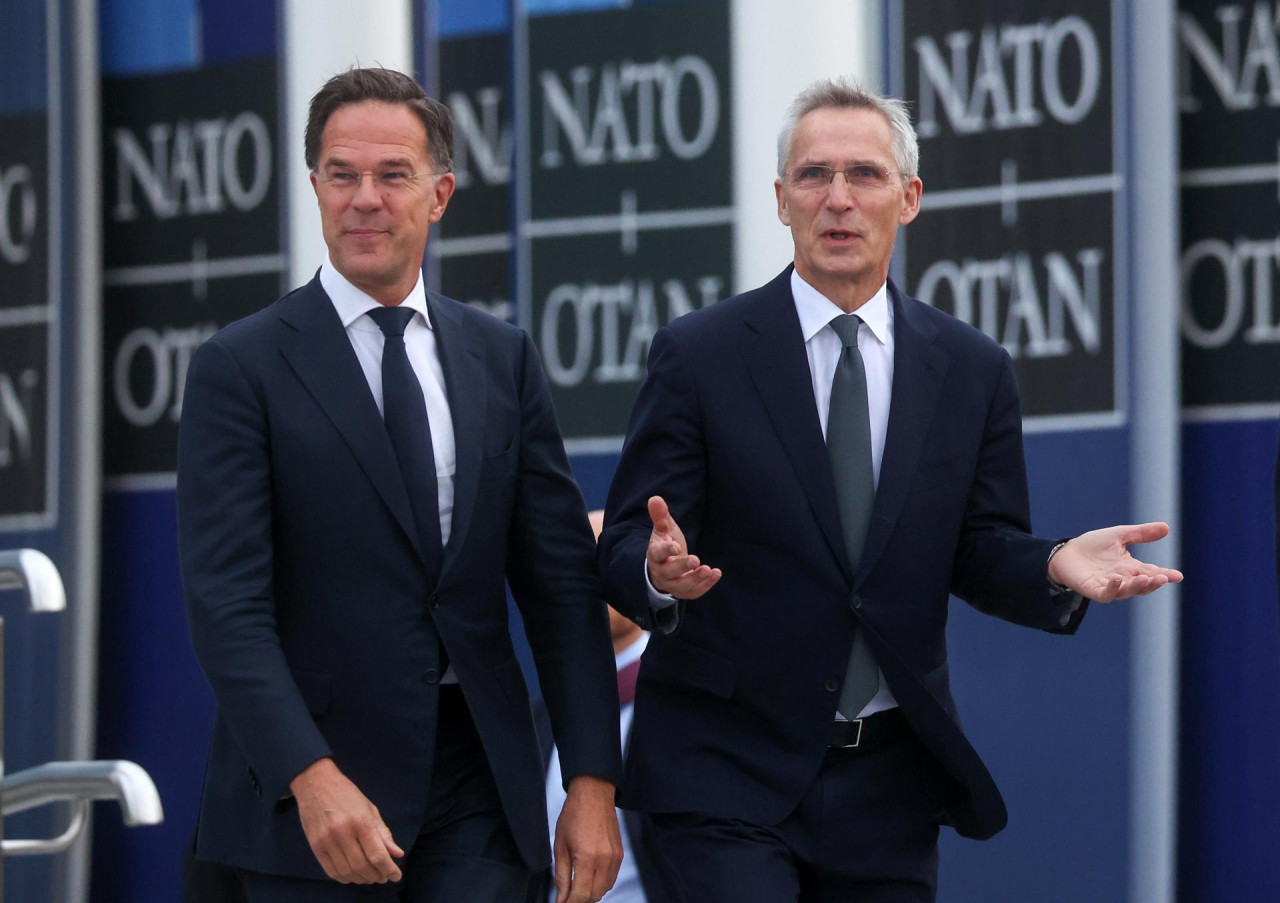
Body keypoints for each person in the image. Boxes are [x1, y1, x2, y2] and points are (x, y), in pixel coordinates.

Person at [597, 77, 1182, 903]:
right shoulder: (699, 355)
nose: (838, 198)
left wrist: (1053, 563)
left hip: (888, 787)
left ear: (908, 199)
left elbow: (980, 550)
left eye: (864, 175)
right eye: (814, 175)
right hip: (723, 773)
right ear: (780, 199)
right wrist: (656, 572)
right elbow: (624, 542)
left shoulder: (971, 368)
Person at [177, 67, 622, 903]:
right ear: (314, 186)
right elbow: (226, 608)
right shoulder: (239, 368)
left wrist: (593, 783)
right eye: (341, 175)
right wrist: (309, 774)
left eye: (392, 175)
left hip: (481, 782)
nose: (364, 199)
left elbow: (562, 586)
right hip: (306, 798)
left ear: (440, 193)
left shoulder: (502, 358)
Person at [533, 512, 679, 903]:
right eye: (580, 566)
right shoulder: (541, 718)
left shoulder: (683, 699)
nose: (595, 582)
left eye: (605, 563)